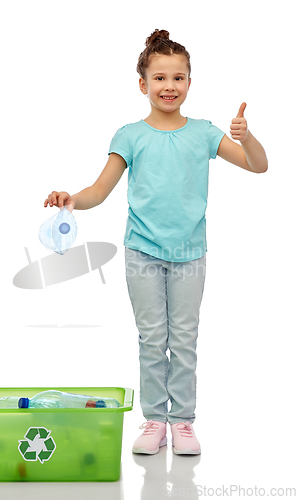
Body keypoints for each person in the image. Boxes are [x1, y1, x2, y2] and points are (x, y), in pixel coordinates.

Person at [44, 29, 268, 455]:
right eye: (161, 78)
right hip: (142, 250)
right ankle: (153, 420)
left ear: (189, 82)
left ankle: (181, 421)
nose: (170, 86)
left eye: (178, 77)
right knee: (152, 338)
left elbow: (258, 166)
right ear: (143, 84)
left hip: (190, 253)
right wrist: (72, 199)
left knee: (183, 338)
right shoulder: (129, 135)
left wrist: (246, 137)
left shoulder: (204, 132)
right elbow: (99, 190)